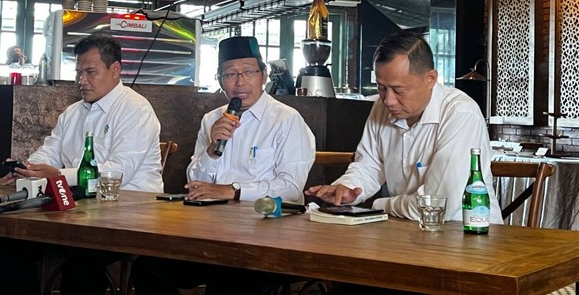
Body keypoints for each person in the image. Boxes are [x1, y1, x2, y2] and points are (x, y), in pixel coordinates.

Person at [306, 31, 503, 294]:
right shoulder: (382, 107)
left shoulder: (460, 113)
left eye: (398, 90)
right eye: (381, 87)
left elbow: (439, 204)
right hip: (405, 239)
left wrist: (380, 205)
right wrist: (347, 188)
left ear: (430, 78)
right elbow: (369, 164)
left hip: (465, 244)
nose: (388, 100)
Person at [132, 36, 316, 295]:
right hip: (211, 231)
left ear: (263, 75)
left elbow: (291, 188)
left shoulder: (287, 120)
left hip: (265, 231)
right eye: (230, 74)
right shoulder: (211, 119)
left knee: (229, 278)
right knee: (147, 267)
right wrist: (211, 150)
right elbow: (194, 180)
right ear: (220, 80)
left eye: (248, 72)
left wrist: (233, 190)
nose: (240, 82)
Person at [0, 33, 163, 295]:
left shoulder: (136, 109)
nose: (82, 81)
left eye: (90, 72)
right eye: (79, 72)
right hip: (79, 212)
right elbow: (51, 149)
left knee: (81, 268)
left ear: (115, 70)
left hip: (129, 215)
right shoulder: (73, 112)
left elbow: (119, 171)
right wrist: (30, 168)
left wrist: (58, 174)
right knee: (4, 245)